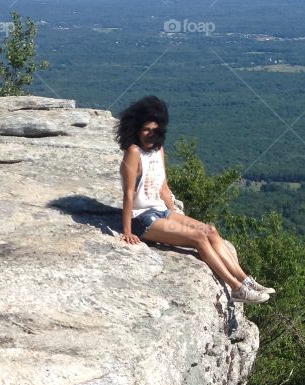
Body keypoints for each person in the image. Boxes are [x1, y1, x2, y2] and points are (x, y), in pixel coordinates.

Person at [115, 96, 275, 303]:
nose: (150, 134)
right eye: (146, 129)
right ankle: (236, 289)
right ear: (136, 128)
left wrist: (174, 213)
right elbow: (128, 193)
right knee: (198, 239)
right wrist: (127, 231)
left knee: (210, 231)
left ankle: (245, 280)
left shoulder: (158, 150)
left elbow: (163, 186)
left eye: (155, 130)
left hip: (161, 212)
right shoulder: (133, 152)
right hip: (143, 218)